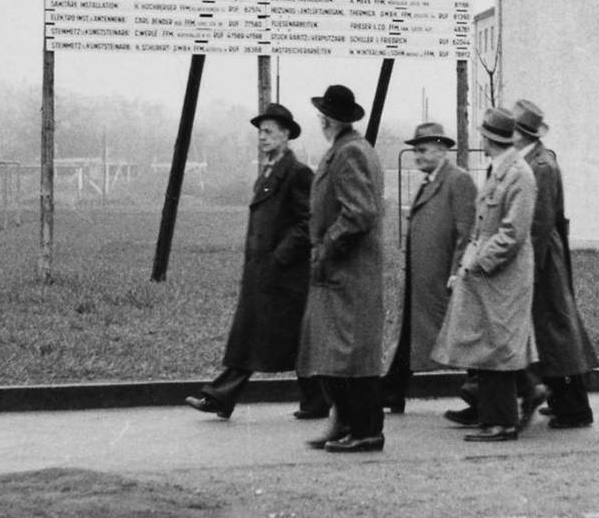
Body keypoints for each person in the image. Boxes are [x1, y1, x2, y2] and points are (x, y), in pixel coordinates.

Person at [186, 103, 327, 420]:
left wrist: (280, 257)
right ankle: (316, 401)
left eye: (268, 132)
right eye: (260, 132)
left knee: (266, 336)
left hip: (284, 276)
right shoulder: (267, 172)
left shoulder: (297, 173)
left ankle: (221, 395)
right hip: (264, 274)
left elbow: (309, 222)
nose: (262, 138)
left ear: (286, 135)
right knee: (281, 337)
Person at [431, 107, 538, 442]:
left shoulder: (518, 174)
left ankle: (502, 422)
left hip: (502, 276)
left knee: (499, 348)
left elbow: (512, 233)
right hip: (490, 276)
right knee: (487, 346)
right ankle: (493, 418)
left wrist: (478, 263)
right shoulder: (502, 170)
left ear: (488, 138)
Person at [296, 84, 388, 453]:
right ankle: (346, 423)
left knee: (352, 355)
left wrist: (328, 247)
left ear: (327, 119)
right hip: (342, 271)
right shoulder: (349, 149)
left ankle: (366, 430)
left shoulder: (349, 153)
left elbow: (359, 213)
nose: (320, 121)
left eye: (321, 116)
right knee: (337, 352)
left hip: (348, 269)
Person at [511, 99, 599, 429]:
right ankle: (565, 401)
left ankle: (574, 407)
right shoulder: (535, 160)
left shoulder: (541, 166)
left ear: (521, 134)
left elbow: (540, 221)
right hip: (543, 259)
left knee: (556, 334)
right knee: (554, 332)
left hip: (543, 260)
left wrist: (526, 267)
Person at [383, 122, 478, 413]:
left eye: (423, 150)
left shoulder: (458, 181)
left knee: (459, 337)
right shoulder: (430, 180)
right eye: (416, 150)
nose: (417, 156)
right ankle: (391, 391)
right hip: (423, 281)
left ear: (441, 150)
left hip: (443, 281)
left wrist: (456, 272)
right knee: (410, 337)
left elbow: (467, 231)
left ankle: (484, 394)